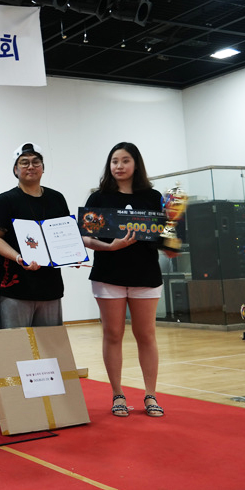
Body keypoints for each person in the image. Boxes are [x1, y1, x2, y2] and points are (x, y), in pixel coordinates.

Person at [82, 142, 177, 418]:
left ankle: (151, 395)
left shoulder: (153, 197)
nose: (119, 166)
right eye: (115, 161)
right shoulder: (99, 197)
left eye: (125, 161)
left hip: (145, 275)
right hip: (108, 275)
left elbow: (164, 235)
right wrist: (109, 247)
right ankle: (117, 394)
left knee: (146, 335)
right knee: (113, 334)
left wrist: (171, 245)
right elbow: (85, 237)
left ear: (136, 164)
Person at [0, 142, 71, 328]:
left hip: (50, 287)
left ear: (43, 168)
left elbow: (66, 234)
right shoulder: (5, 200)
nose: (31, 166)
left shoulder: (57, 198)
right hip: (15, 288)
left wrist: (72, 255)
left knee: (50, 344)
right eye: (24, 162)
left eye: (36, 162)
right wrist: (18, 257)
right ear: (15, 169)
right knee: (16, 344)